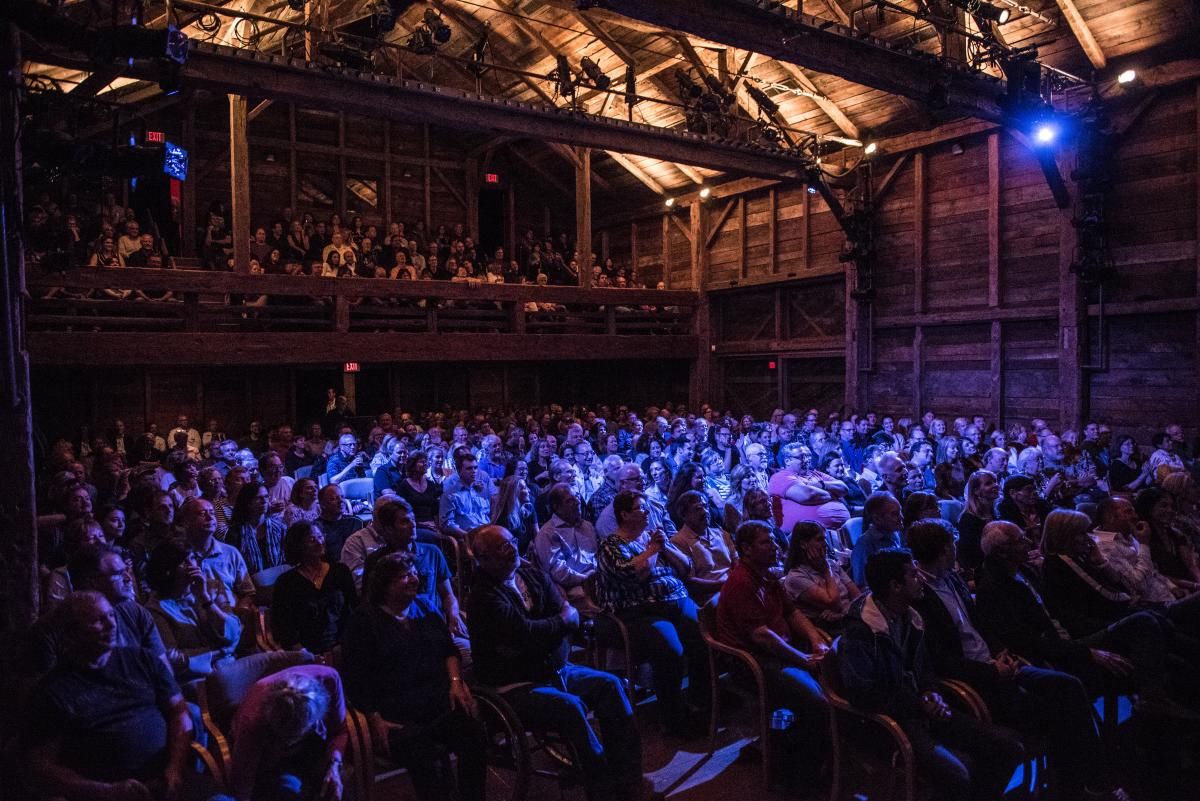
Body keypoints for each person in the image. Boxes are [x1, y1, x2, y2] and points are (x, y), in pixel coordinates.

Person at [905, 519, 1130, 801]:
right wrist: (991, 670)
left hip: (998, 662)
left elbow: (980, 625)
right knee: (1058, 711)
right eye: (952, 545)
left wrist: (1000, 651)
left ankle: (1088, 783)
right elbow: (941, 659)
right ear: (943, 550)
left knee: (1068, 686)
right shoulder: (919, 597)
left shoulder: (951, 579)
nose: (957, 550)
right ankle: (1084, 785)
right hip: (975, 680)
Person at [468, 525, 645, 801]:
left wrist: (552, 625)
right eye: (503, 547)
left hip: (555, 667)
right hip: (514, 684)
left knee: (610, 686)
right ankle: (604, 788)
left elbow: (566, 614)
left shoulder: (530, 575)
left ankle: (628, 777)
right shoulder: (482, 596)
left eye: (512, 541)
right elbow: (522, 633)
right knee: (569, 707)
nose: (513, 548)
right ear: (484, 558)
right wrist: (558, 624)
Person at [839, 550, 1025, 801]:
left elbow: (924, 669)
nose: (921, 580)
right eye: (914, 575)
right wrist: (920, 702)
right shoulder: (861, 631)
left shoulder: (911, 618)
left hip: (923, 710)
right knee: (957, 773)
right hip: (888, 724)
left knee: (1009, 748)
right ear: (895, 586)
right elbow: (862, 693)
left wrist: (930, 693)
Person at [341, 551, 486, 801]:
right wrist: (374, 719)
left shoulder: (425, 607)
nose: (414, 579)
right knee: (421, 751)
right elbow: (357, 679)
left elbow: (449, 651)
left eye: (414, 573)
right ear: (384, 585)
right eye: (404, 576)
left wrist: (455, 683)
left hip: (438, 702)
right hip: (395, 715)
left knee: (472, 731)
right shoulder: (364, 622)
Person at [24, 592, 194, 801]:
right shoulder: (53, 691)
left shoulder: (142, 660)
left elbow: (179, 711)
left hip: (167, 782)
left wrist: (175, 767)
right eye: (98, 620)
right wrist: (105, 791)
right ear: (72, 633)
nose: (112, 625)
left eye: (111, 616)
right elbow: (42, 766)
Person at [717, 521, 831, 779]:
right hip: (751, 661)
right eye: (766, 543)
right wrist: (803, 659)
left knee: (835, 672)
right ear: (746, 549)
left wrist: (815, 639)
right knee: (817, 701)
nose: (775, 547)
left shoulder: (767, 575)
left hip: (778, 649)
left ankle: (785, 745)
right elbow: (761, 637)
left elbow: (792, 612)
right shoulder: (741, 582)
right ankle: (799, 774)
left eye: (773, 541)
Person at [596, 490, 707, 736]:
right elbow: (634, 574)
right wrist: (652, 551)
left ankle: (702, 701)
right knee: (671, 650)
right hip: (638, 611)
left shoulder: (652, 539)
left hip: (674, 600)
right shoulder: (611, 545)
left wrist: (665, 546)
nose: (648, 513)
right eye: (641, 509)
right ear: (625, 515)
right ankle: (672, 717)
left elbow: (686, 568)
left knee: (705, 635)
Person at [219, 665, 348, 801]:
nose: (290, 742)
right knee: (288, 788)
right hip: (270, 759)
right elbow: (242, 785)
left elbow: (339, 730)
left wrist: (334, 765)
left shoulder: (330, 679)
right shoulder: (252, 720)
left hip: (313, 747)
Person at [145, 540, 241, 680]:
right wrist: (217, 652)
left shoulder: (211, 587)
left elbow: (233, 632)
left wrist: (205, 599)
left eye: (192, 558)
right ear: (168, 571)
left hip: (229, 664)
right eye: (184, 562)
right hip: (195, 678)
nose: (192, 566)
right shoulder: (155, 609)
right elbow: (173, 658)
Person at [272, 521, 358, 654]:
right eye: (312, 539)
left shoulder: (340, 571)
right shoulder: (286, 583)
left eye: (320, 537)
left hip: (342, 647)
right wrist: (304, 654)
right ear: (299, 546)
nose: (319, 542)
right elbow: (285, 627)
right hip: (305, 653)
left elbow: (353, 609)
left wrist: (344, 645)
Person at [782, 521, 862, 636]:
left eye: (824, 539)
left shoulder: (831, 564)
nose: (825, 544)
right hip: (830, 629)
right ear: (803, 544)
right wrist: (825, 571)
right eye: (819, 539)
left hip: (849, 618)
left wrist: (844, 614)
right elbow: (833, 603)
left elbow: (857, 596)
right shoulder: (796, 577)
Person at [532, 483, 600, 604]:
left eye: (577, 497)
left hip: (597, 577)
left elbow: (597, 555)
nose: (577, 502)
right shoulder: (548, 533)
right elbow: (557, 572)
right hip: (572, 586)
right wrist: (586, 578)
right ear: (557, 507)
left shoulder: (587, 526)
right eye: (570, 500)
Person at [767, 443, 849, 536]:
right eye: (801, 457)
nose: (807, 460)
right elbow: (807, 495)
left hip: (836, 532)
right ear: (787, 461)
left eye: (808, 456)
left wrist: (821, 484)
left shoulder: (816, 474)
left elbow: (843, 488)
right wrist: (832, 495)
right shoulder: (780, 477)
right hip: (805, 537)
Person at [670, 489, 735, 605]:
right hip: (711, 599)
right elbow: (691, 583)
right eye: (698, 509)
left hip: (734, 588)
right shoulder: (678, 542)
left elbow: (737, 562)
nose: (705, 512)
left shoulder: (721, 533)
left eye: (705, 507)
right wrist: (726, 584)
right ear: (684, 515)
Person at [226, 481, 286, 576]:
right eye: (259, 498)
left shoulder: (279, 528)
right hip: (250, 584)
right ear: (248, 502)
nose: (264, 501)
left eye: (266, 497)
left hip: (278, 581)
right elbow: (232, 564)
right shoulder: (236, 532)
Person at [850, 491, 903, 586]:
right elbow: (862, 583)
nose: (901, 517)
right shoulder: (865, 545)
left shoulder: (894, 534)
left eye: (900, 512)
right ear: (877, 518)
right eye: (895, 514)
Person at [438, 452, 492, 543]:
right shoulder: (450, 495)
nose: (474, 471)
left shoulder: (482, 491)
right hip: (470, 538)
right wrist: (468, 536)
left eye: (475, 468)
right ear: (459, 471)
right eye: (469, 468)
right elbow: (447, 524)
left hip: (488, 533)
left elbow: (487, 514)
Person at [955, 469, 999, 575]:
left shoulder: (995, 514)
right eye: (989, 483)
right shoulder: (968, 519)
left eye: (995, 481)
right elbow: (971, 554)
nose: (995, 485)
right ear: (976, 491)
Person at [312, 484, 363, 563]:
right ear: (322, 504)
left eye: (342, 497)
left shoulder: (355, 522)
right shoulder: (316, 528)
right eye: (333, 499)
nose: (341, 501)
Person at [491, 475, 539, 556]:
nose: (529, 490)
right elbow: (509, 554)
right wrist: (530, 564)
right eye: (524, 488)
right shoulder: (503, 520)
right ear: (514, 493)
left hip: (526, 557)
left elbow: (537, 534)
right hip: (510, 560)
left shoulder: (528, 508)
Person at [396, 451, 442, 530]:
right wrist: (421, 524)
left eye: (425, 462)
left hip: (431, 525)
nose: (425, 464)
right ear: (412, 465)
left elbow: (435, 510)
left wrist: (438, 528)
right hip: (413, 526)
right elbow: (401, 513)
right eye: (421, 462)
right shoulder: (403, 485)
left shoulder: (431, 485)